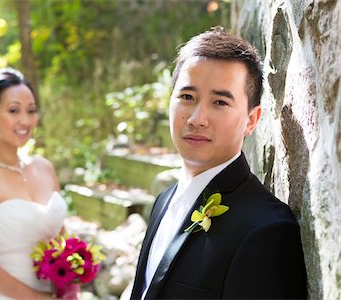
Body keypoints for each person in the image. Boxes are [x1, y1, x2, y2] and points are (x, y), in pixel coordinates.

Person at [131, 28, 307, 299]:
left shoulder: (267, 230)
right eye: (187, 97)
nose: (197, 119)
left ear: (251, 120)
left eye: (220, 102)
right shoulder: (163, 200)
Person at [0, 68, 77, 299]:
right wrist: (37, 298)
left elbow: (60, 236)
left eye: (31, 111)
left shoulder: (44, 167)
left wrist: (70, 280)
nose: (25, 120)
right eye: (13, 110)